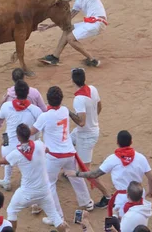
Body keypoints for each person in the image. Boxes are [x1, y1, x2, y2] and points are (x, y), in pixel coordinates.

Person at [30, 86, 94, 226]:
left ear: (48, 99)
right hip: (69, 152)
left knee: (50, 184)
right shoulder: (65, 110)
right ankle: (87, 202)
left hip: (54, 157)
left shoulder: (44, 116)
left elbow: (32, 131)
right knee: (75, 178)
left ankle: (57, 217)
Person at [64, 130, 152, 218]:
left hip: (123, 198)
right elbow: (151, 179)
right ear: (131, 141)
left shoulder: (113, 159)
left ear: (117, 142)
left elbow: (94, 174)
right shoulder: (141, 158)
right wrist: (151, 191)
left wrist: (76, 173)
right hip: (138, 194)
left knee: (122, 223)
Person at [0, 124, 68, 230]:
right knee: (56, 219)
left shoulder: (16, 154)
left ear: (18, 137)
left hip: (26, 193)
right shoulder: (39, 144)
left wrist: (0, 145)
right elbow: (46, 150)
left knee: (11, 211)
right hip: (44, 192)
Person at [0, 80, 42, 199]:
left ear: (15, 93)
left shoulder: (6, 106)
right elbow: (41, 126)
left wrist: (0, 102)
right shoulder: (36, 110)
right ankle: (34, 201)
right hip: (28, 149)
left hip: (9, 147)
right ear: (27, 93)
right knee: (32, 171)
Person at [0, 68, 46, 191]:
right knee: (29, 159)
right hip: (30, 133)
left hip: (11, 135)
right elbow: (43, 112)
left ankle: (6, 179)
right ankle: (27, 183)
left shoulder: (7, 97)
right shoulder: (34, 97)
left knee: (5, 151)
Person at [40, 0, 107, 67]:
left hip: (97, 22)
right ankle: (55, 57)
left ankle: (92, 60)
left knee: (70, 38)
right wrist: (50, 26)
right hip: (92, 22)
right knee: (67, 29)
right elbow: (69, 17)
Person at [68, 68, 111, 206]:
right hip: (85, 132)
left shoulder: (78, 99)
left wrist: (68, 112)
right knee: (66, 143)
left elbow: (81, 121)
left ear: (73, 80)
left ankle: (107, 195)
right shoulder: (92, 89)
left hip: (86, 136)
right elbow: (99, 106)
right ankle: (67, 169)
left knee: (86, 171)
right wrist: (94, 118)